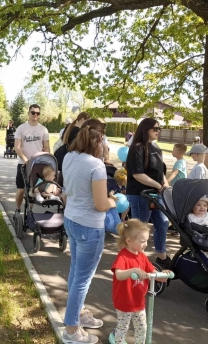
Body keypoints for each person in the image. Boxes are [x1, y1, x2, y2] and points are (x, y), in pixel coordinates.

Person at [62, 119, 116, 344]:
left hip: (72, 220)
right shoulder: (96, 165)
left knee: (76, 272)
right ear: (99, 141)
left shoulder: (69, 157)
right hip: (89, 226)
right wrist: (114, 201)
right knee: (82, 279)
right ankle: (72, 329)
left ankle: (78, 315)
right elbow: (101, 204)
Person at [110, 219, 170, 344]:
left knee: (142, 327)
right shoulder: (123, 256)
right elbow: (119, 275)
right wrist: (133, 270)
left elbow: (151, 272)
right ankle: (118, 341)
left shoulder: (142, 256)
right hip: (124, 301)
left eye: (147, 240)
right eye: (142, 241)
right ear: (129, 241)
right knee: (123, 327)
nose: (146, 244)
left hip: (138, 301)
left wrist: (160, 276)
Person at [125, 118, 171, 269]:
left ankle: (161, 257)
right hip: (140, 194)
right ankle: (134, 259)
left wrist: (165, 185)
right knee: (140, 229)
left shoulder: (156, 147)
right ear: (145, 130)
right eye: (155, 129)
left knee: (163, 223)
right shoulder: (137, 148)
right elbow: (138, 174)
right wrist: (158, 185)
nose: (158, 131)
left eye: (159, 128)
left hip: (156, 193)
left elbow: (160, 171)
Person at [14, 104, 50, 216]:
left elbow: (47, 147)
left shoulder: (43, 129)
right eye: (33, 112)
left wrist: (46, 159)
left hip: (38, 166)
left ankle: (31, 213)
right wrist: (25, 160)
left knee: (35, 191)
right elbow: (17, 147)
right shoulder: (21, 128)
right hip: (23, 164)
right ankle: (18, 209)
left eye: (37, 113)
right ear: (28, 113)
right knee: (20, 190)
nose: (35, 115)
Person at [106, 168, 128, 233]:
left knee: (127, 208)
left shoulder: (123, 186)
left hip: (120, 202)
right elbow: (110, 193)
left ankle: (123, 219)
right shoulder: (115, 186)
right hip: (114, 202)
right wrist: (114, 197)